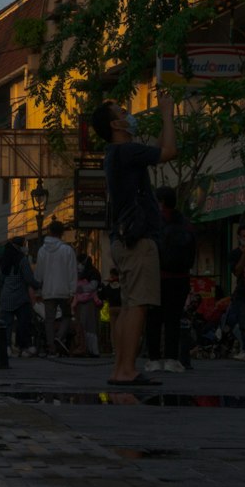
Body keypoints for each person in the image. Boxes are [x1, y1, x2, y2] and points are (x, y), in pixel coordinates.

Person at [91, 90, 176, 386]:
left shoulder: (115, 155)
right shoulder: (127, 151)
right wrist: (167, 113)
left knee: (128, 306)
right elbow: (168, 152)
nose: (129, 115)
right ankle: (127, 369)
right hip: (139, 240)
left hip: (122, 239)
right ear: (116, 125)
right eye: (122, 112)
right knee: (138, 305)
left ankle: (120, 368)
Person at [144, 186, 196, 373]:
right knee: (173, 319)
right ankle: (172, 359)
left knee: (154, 319)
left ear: (160, 202)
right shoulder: (186, 223)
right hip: (181, 278)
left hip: (158, 277)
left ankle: (154, 359)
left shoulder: (154, 223)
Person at [34, 220, 77, 357]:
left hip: (48, 290)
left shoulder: (42, 250)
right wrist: (72, 291)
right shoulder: (67, 250)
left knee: (49, 319)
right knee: (66, 316)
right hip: (64, 290)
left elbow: (38, 274)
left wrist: (39, 288)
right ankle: (59, 336)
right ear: (61, 233)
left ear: (49, 232)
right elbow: (72, 271)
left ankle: (51, 346)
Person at [0, 236, 40, 357]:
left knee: (7, 325)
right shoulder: (22, 260)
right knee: (23, 323)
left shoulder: (3, 260)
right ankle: (25, 347)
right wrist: (39, 285)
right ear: (20, 246)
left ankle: (6, 348)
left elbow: (0, 279)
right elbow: (29, 278)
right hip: (20, 297)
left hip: (6, 296)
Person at [229, 221, 245, 362]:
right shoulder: (235, 253)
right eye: (244, 236)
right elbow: (237, 272)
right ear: (239, 237)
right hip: (243, 294)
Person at [72, 252, 102, 357]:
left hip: (89, 303)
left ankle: (92, 350)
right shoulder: (85, 272)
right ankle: (86, 348)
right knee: (84, 326)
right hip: (82, 303)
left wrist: (80, 289)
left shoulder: (92, 272)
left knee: (90, 326)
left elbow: (93, 286)